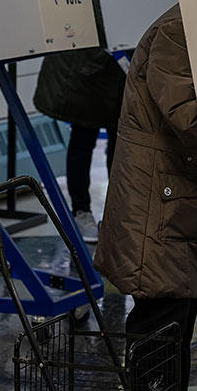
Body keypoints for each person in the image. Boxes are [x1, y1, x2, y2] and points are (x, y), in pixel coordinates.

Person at [94, 4, 197, 390]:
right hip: (159, 199)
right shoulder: (178, 29)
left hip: (173, 193)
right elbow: (188, 116)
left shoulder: (193, 23)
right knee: (160, 315)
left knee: (176, 314)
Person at [33, 30, 127, 243]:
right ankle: (81, 211)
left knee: (121, 144)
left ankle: (118, 213)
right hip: (87, 68)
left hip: (118, 64)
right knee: (84, 139)